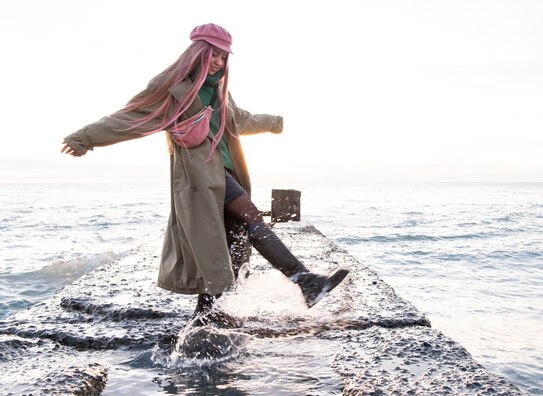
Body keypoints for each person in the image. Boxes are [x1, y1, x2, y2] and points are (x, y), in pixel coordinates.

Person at [61, 23, 348, 326]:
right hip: (201, 178)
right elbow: (132, 117)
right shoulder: (174, 89)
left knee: (226, 240)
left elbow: (240, 121)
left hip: (225, 172)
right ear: (198, 52)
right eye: (214, 54)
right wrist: (85, 139)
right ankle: (305, 280)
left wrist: (275, 122)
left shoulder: (220, 92)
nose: (219, 62)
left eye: (224, 57)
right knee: (251, 216)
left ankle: (205, 314)